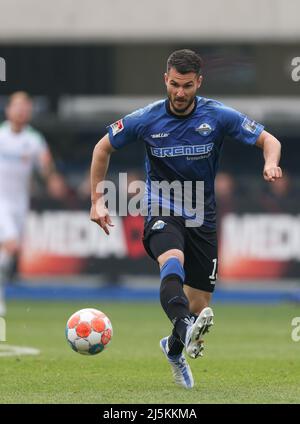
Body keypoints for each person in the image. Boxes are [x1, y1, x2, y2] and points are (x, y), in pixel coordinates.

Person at [90, 50, 282, 389]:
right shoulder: (146, 119)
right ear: (166, 79)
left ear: (199, 83)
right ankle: (184, 328)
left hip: (202, 215)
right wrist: (97, 200)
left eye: (187, 86)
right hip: (160, 206)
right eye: (175, 85)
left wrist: (269, 163)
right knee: (172, 263)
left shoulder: (217, 115)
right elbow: (102, 148)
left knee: (198, 304)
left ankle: (174, 347)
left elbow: (270, 140)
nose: (180, 93)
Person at [0, 91, 55, 316]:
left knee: (8, 254)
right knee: (10, 245)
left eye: (26, 107)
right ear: (8, 110)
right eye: (18, 106)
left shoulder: (34, 140)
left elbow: (46, 170)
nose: (22, 110)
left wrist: (48, 170)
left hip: (20, 204)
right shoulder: (1, 135)